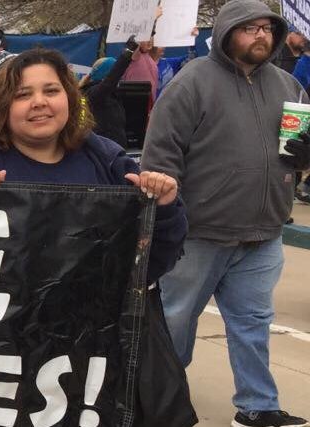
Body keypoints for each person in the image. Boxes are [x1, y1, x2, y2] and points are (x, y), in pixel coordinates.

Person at [0, 49, 196, 426]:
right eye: (23, 95)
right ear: (4, 105)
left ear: (69, 97)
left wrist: (163, 209)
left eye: (50, 90)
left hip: (87, 360)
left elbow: (150, 266)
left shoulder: (108, 161)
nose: (39, 103)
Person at [141, 1, 310, 425]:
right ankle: (161, 401)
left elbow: (297, 152)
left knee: (253, 325)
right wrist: (164, 219)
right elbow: (160, 156)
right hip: (198, 233)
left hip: (265, 232)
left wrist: (305, 157)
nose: (260, 36)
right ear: (226, 32)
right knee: (175, 324)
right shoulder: (191, 83)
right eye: (249, 28)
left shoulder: (290, 86)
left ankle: (258, 407)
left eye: (267, 29)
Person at [80, 36, 139, 147]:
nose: (120, 78)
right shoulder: (93, 93)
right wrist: (128, 51)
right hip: (103, 152)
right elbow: (111, 80)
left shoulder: (113, 95)